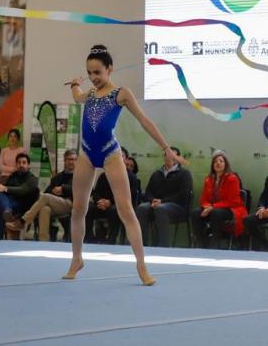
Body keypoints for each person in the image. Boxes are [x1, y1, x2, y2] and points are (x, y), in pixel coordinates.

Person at [64, 45, 185, 286]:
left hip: (110, 153)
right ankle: (77, 259)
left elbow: (144, 120)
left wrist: (166, 147)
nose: (93, 77)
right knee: (78, 208)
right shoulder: (90, 93)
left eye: (97, 72)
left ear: (110, 69)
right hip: (87, 153)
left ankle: (141, 265)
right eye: (89, 73)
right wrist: (75, 85)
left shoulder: (121, 93)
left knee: (126, 209)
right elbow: (77, 98)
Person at [7, 149, 76, 241]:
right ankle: (43, 241)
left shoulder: (79, 176)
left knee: (46, 197)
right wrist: (54, 191)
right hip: (57, 204)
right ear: (64, 160)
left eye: (73, 159)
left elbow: (81, 189)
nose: (71, 162)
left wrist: (63, 189)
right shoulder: (58, 176)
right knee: (44, 209)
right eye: (69, 159)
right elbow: (48, 191)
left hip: (72, 203)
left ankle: (22, 221)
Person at [136, 147, 193, 248]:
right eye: (167, 155)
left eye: (172, 155)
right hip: (156, 204)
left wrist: (162, 201)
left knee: (160, 209)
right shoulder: (156, 173)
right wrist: (152, 200)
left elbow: (183, 194)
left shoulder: (184, 174)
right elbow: (148, 192)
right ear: (164, 157)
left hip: (177, 207)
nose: (169, 157)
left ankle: (163, 246)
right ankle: (142, 245)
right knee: (142, 208)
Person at [191, 151, 247, 249]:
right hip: (212, 208)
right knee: (195, 213)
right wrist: (207, 206)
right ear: (212, 165)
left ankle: (214, 244)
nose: (218, 163)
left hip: (231, 209)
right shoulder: (208, 179)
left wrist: (212, 207)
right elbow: (203, 199)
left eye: (221, 161)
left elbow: (233, 201)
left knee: (216, 213)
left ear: (225, 164)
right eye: (215, 161)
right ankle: (201, 244)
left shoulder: (232, 178)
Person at [0, 153, 38, 239]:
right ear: (16, 165)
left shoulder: (32, 179)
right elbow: (5, 189)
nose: (21, 165)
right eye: (19, 163)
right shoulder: (13, 175)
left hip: (23, 206)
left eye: (24, 162)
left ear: (28, 165)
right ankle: (7, 211)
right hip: (10, 203)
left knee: (0, 210)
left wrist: (4, 188)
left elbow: (22, 190)